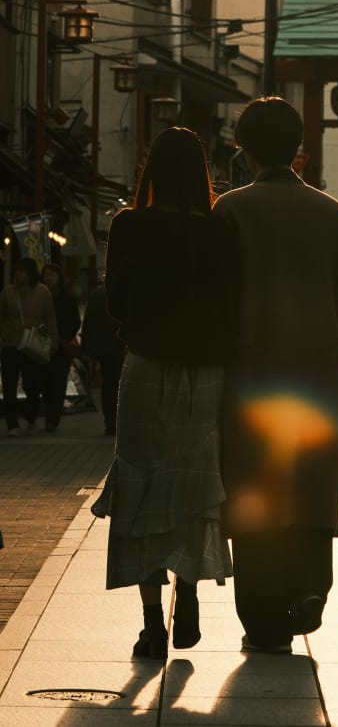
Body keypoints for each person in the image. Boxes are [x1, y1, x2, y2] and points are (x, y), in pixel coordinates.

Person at [213, 96, 338, 654]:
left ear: (244, 149)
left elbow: (214, 301)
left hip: (249, 385)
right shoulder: (330, 213)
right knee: (310, 493)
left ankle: (262, 616)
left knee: (255, 497)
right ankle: (309, 592)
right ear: (298, 149)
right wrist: (328, 351)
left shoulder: (229, 211)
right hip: (319, 380)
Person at [91, 127, 235, 660]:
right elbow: (232, 305)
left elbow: (117, 302)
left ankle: (152, 624)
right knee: (195, 485)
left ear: (150, 169)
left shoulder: (130, 225)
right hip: (206, 373)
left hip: (146, 367)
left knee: (142, 486)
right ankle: (191, 590)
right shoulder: (218, 232)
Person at [0, 258, 58, 436]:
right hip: (10, 343)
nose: (19, 274)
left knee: (31, 385)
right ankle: (12, 424)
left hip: (32, 345)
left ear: (31, 273)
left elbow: (50, 319)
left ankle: (31, 417)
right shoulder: (8, 292)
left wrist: (53, 342)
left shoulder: (43, 292)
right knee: (9, 385)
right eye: (17, 271)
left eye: (23, 271)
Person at [80, 278, 126, 435]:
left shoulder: (97, 295)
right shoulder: (126, 293)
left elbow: (88, 323)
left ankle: (111, 421)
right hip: (124, 347)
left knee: (109, 385)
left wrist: (87, 349)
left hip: (106, 350)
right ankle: (120, 420)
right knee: (122, 385)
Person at [41, 263, 81, 432]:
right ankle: (49, 415)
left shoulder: (67, 298)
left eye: (52, 275)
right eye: (46, 276)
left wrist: (64, 337)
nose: (49, 279)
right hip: (41, 346)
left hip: (61, 347)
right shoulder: (39, 296)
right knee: (44, 384)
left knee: (57, 384)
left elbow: (75, 321)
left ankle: (52, 419)